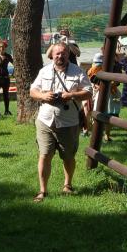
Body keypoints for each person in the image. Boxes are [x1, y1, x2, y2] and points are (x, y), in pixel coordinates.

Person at [30, 42, 92, 202]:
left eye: (64, 53)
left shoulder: (78, 71)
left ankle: (67, 185)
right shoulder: (44, 71)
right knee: (44, 155)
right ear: (52, 55)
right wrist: (43, 96)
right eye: (57, 53)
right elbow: (33, 91)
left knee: (68, 156)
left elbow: (88, 92)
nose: (60, 56)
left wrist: (71, 95)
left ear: (68, 54)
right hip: (45, 121)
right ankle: (43, 191)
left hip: (69, 122)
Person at [0, 39, 13, 116]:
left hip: (5, 78)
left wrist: (13, 73)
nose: (2, 48)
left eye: (3, 47)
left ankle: (7, 111)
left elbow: (15, 63)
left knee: (6, 95)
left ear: (5, 48)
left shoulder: (8, 56)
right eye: (0, 47)